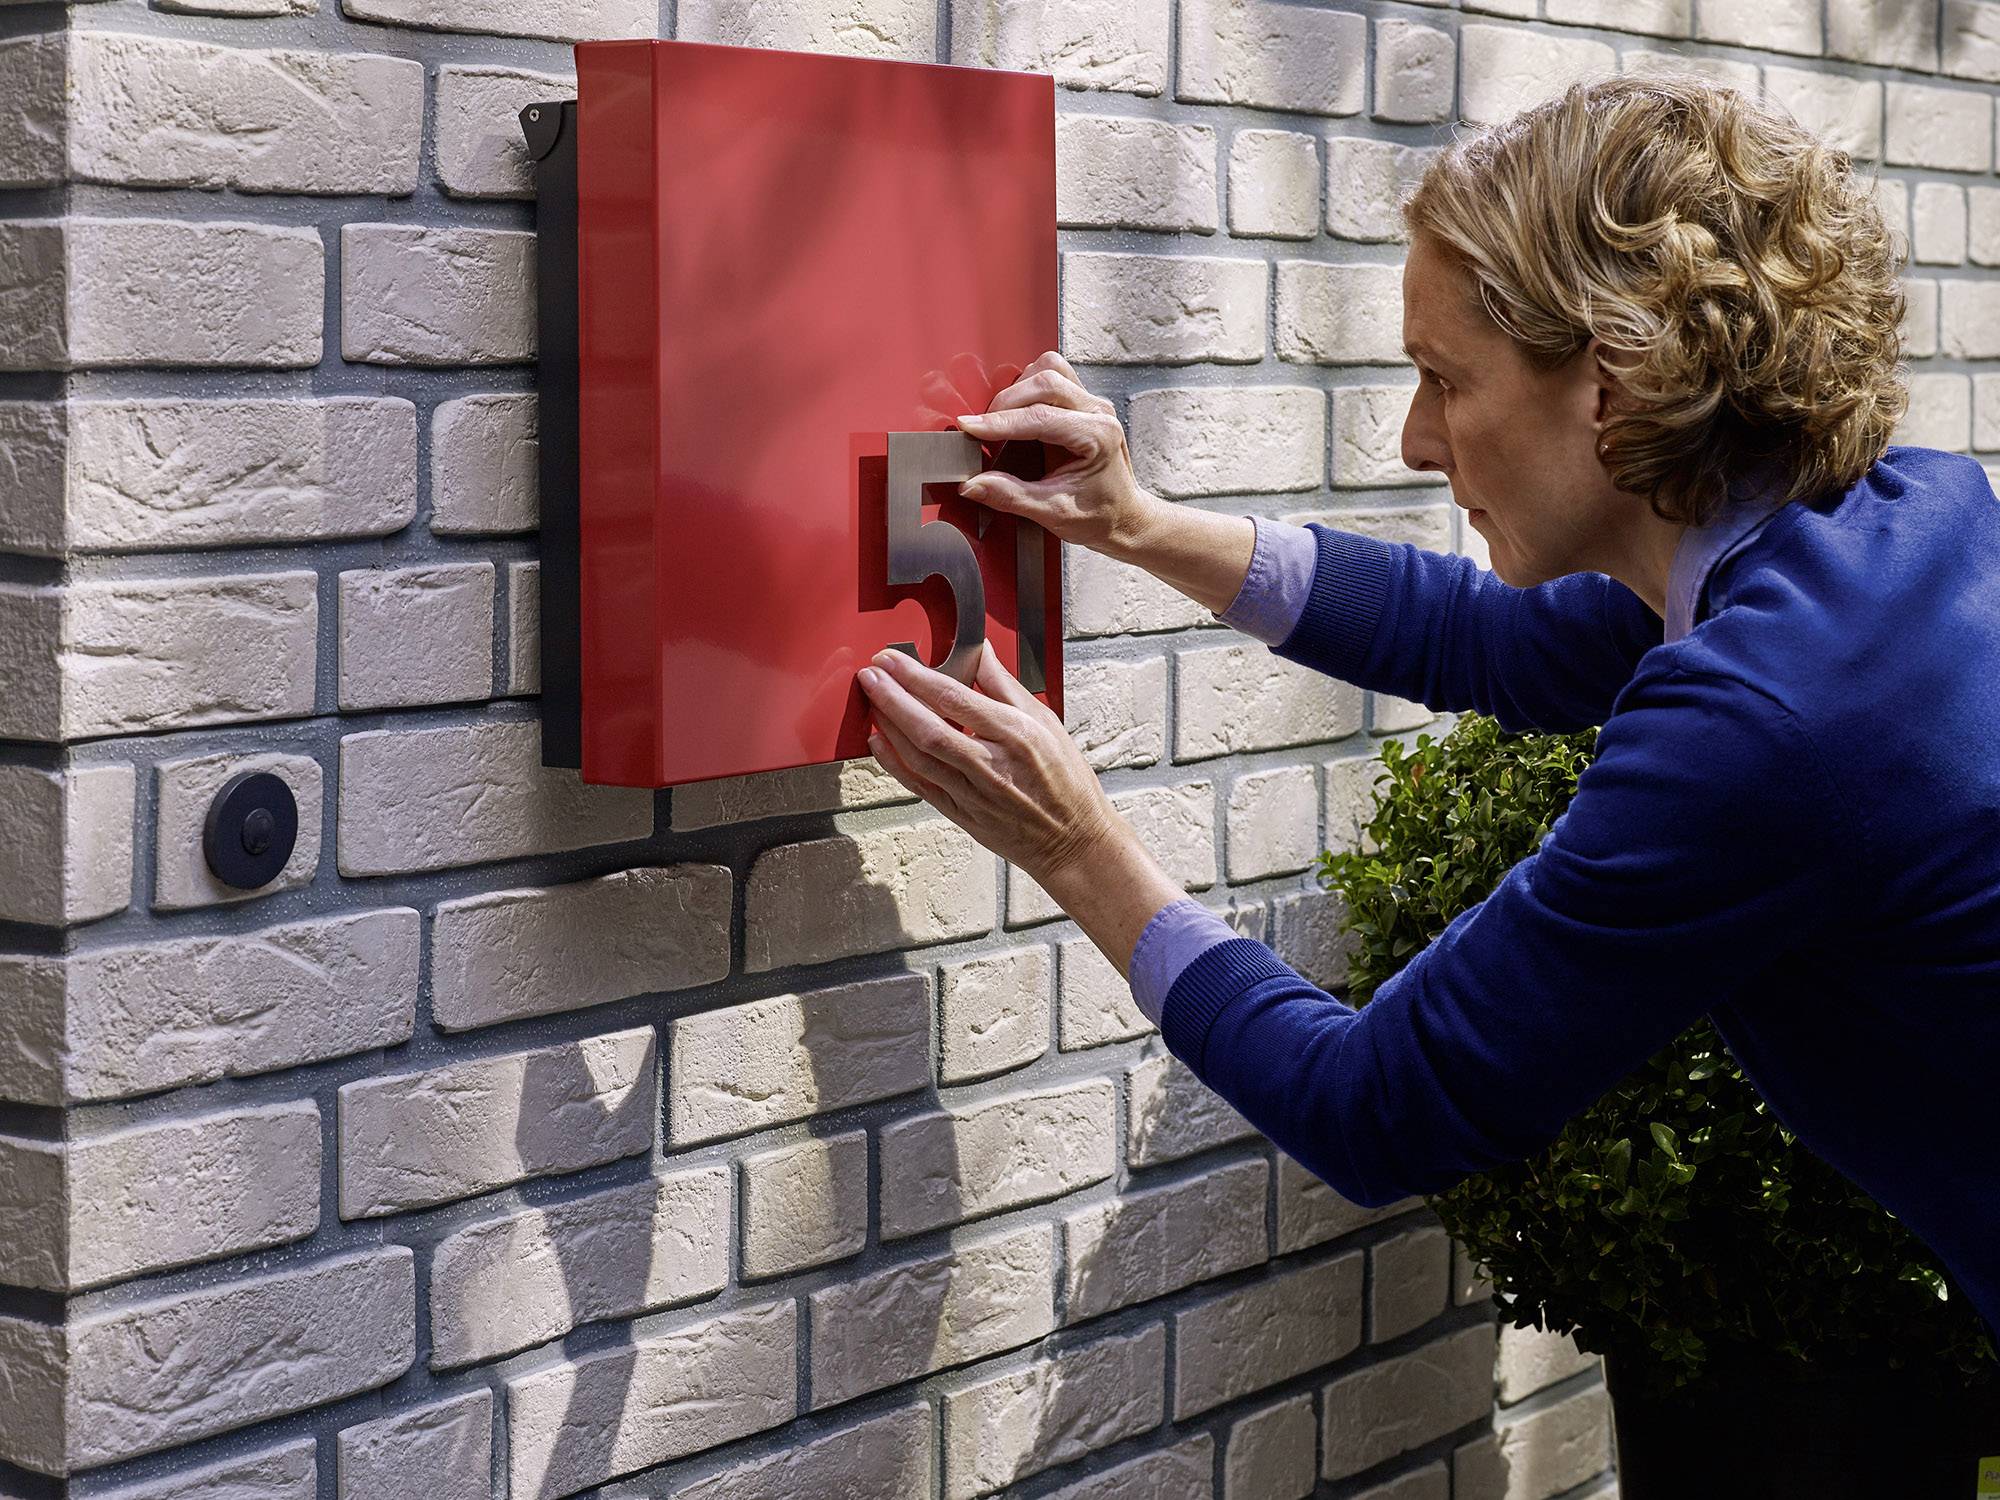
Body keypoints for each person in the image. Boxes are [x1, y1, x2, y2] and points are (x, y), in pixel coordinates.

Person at [853, 74, 2000, 1339]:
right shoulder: (1890, 521)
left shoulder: (1768, 722)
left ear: (1610, 383)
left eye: (1444, 380)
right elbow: (1488, 642)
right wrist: (1138, 526)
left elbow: (1375, 1105)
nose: (1412, 439)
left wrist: (1076, 849)